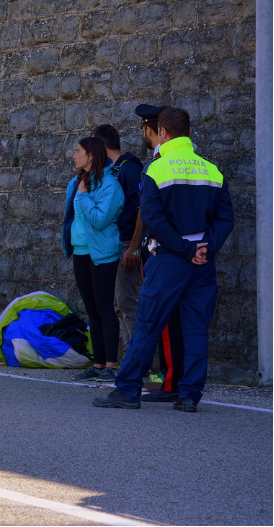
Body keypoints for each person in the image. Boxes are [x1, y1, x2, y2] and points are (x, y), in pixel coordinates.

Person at [94, 107, 233, 412]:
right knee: (195, 329)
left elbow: (153, 219)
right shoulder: (212, 170)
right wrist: (205, 248)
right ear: (190, 132)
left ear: (164, 132)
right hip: (202, 264)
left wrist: (185, 250)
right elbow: (225, 219)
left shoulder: (156, 169)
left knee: (147, 325)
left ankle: (127, 391)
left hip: (170, 260)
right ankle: (189, 395)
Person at [131, 104, 185, 402]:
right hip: (183, 250)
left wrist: (138, 247)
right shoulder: (186, 161)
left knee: (164, 321)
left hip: (165, 250)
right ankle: (175, 381)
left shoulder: (160, 163)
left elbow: (149, 213)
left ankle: (170, 382)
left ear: (152, 130)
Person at [61, 137, 125, 382]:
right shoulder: (75, 183)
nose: (74, 155)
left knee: (105, 309)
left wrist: (84, 195)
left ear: (91, 156)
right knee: (92, 310)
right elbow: (71, 218)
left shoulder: (110, 185)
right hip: (80, 252)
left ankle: (111, 365)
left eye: (78, 151)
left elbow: (99, 220)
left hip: (102, 253)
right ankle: (98, 365)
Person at [91, 124, 143, 353]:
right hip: (111, 244)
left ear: (102, 146)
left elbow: (143, 209)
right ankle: (129, 356)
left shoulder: (129, 169)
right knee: (116, 304)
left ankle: (137, 359)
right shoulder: (110, 171)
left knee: (126, 302)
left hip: (125, 244)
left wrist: (133, 247)